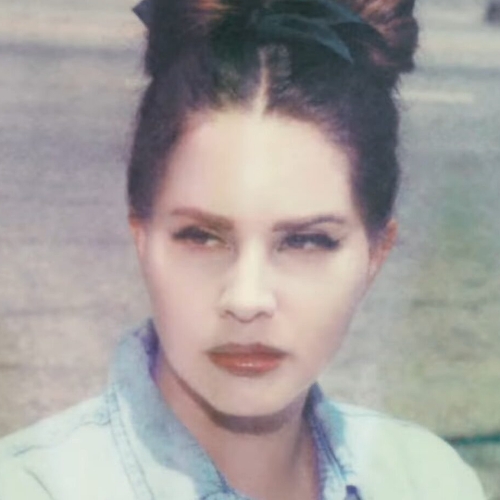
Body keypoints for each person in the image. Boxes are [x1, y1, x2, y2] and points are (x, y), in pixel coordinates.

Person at [0, 0, 487, 498]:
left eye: (306, 241)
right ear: (141, 237)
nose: (247, 299)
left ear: (376, 255)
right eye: (202, 237)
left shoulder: (429, 481)